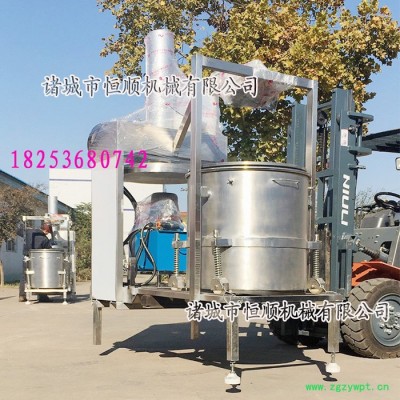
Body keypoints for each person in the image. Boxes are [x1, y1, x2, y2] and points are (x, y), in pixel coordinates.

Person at [19, 223, 53, 302]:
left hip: (27, 257)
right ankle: (42, 296)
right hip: (38, 260)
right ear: (46, 230)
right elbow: (49, 250)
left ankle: (22, 295)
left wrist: (25, 227)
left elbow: (19, 232)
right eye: (48, 232)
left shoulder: (28, 232)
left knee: (24, 276)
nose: (47, 234)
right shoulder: (44, 238)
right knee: (40, 277)